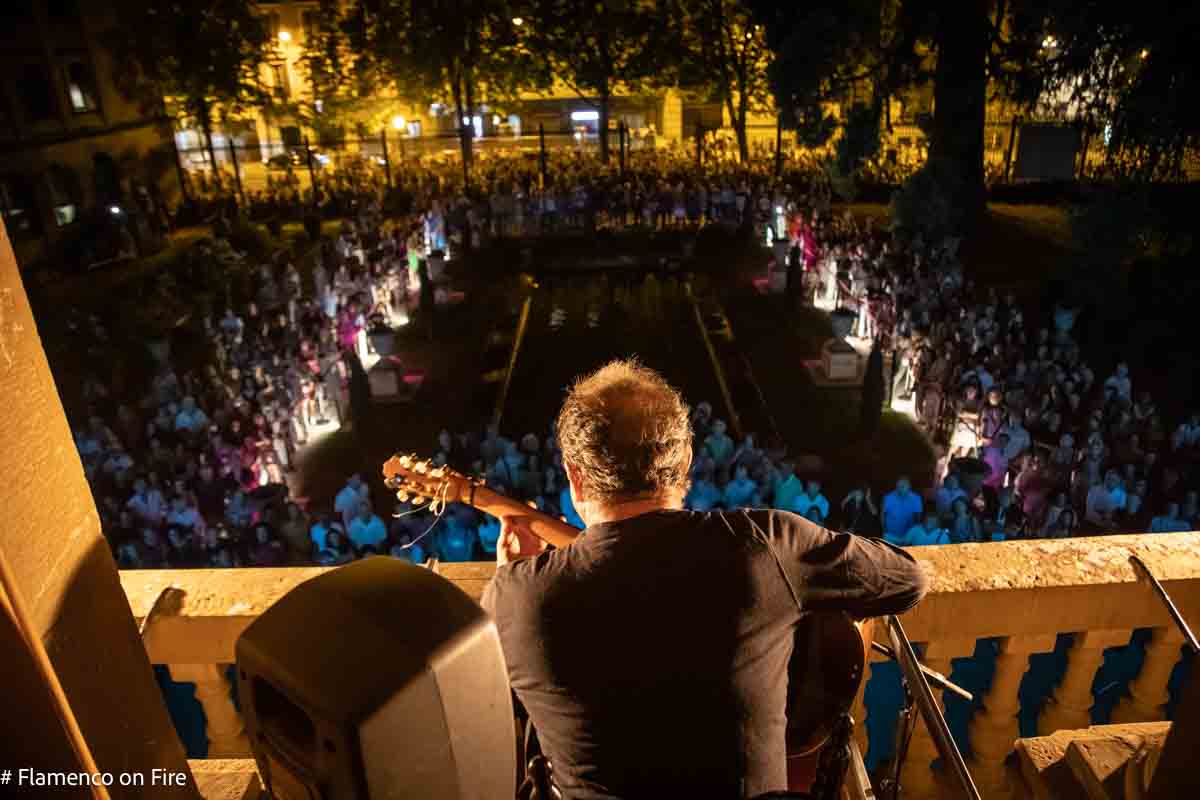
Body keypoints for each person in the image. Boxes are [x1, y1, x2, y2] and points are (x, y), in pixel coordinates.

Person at [481, 360, 928, 799]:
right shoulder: (767, 544)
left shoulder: (515, 597)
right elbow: (908, 579)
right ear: (687, 462)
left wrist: (517, 579)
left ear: (575, 480)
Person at [881, 476, 923, 541]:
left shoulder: (916, 498)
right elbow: (882, 515)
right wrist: (885, 531)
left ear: (909, 486)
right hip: (891, 535)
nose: (901, 487)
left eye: (904, 485)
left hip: (908, 535)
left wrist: (914, 533)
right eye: (899, 485)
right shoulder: (888, 497)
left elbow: (918, 517)